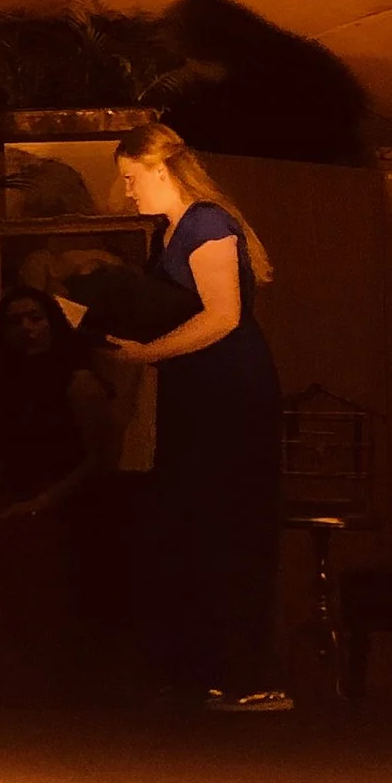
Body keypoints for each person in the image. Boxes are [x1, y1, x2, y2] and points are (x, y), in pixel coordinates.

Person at [101, 121, 288, 714]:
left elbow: (223, 316)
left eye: (132, 178)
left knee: (230, 528)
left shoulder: (205, 222)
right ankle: (210, 672)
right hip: (202, 395)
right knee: (200, 527)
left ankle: (242, 675)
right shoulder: (175, 232)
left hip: (228, 398)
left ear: (161, 170)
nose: (128, 191)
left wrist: (144, 355)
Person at [0, 287, 119, 701]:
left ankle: (34, 684)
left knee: (6, 546)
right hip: (16, 493)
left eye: (36, 318)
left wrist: (42, 503)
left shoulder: (78, 381)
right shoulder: (2, 383)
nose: (27, 328)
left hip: (70, 498)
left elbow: (99, 460)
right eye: (16, 320)